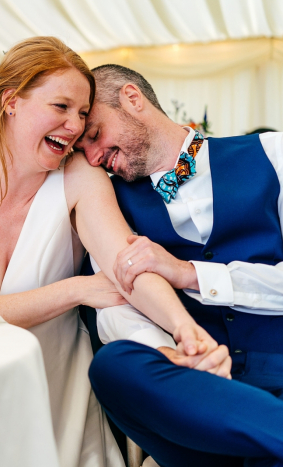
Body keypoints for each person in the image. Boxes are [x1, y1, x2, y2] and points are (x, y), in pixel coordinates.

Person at [0, 37, 211, 467]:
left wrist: (186, 332)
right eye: (61, 107)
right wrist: (77, 290)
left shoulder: (78, 177)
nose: (74, 126)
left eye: (82, 113)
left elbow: (129, 265)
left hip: (59, 401)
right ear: (11, 102)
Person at [76, 64, 283, 466]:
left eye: (95, 135)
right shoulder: (106, 204)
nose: (95, 157)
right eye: (83, 151)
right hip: (196, 393)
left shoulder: (273, 154)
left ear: (133, 99)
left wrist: (190, 274)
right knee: (112, 367)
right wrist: (176, 352)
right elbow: (114, 307)